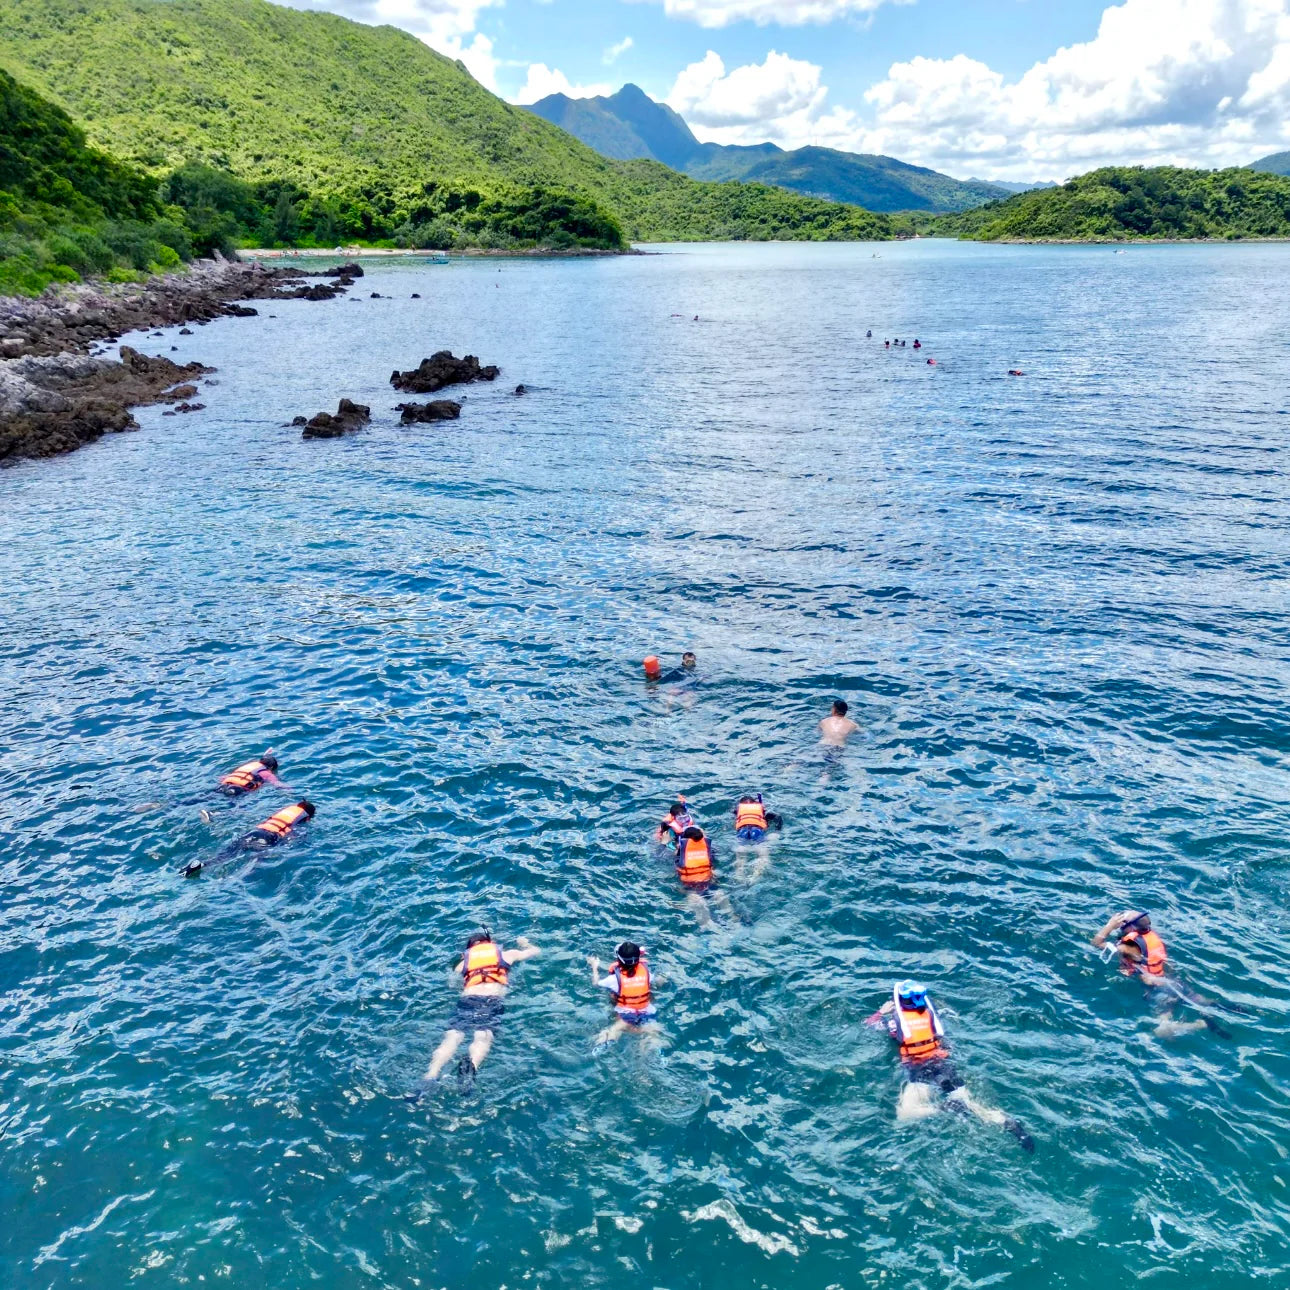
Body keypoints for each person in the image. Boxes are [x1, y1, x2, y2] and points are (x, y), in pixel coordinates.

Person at [868, 981, 1034, 1151]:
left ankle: (943, 1108)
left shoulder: (895, 1022)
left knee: (906, 1113)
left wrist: (881, 1012)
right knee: (973, 1105)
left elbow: (869, 1025)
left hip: (919, 1068)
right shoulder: (930, 1015)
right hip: (944, 1064)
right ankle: (1008, 1123)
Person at [421, 929, 541, 1092]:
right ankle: (472, 1067)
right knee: (483, 1036)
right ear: (490, 944)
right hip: (491, 999)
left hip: (467, 1000)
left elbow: (451, 984)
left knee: (453, 1036)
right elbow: (535, 951)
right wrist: (524, 943)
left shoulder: (462, 964)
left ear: (469, 950)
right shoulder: (506, 954)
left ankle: (430, 1075)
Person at [1091, 911, 1226, 1038]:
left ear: (1130, 928)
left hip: (1159, 991)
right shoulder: (1151, 937)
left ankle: (1200, 1025)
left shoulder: (1128, 948)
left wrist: (1110, 925)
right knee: (1204, 1001)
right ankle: (1231, 1008)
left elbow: (1096, 943)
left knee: (1162, 1030)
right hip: (1173, 982)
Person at [182, 800, 316, 876]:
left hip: (254, 832)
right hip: (269, 837)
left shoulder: (287, 810)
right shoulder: (302, 820)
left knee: (225, 856)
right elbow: (293, 836)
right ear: (308, 817)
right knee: (256, 862)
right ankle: (243, 876)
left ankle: (201, 864)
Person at [588, 941, 661, 1046]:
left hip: (625, 1014)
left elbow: (595, 983)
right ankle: (653, 1048)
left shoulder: (613, 979)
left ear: (619, 960)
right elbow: (655, 982)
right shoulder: (647, 973)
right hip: (647, 1011)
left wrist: (594, 966)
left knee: (614, 1029)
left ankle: (606, 1041)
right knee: (652, 1033)